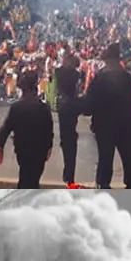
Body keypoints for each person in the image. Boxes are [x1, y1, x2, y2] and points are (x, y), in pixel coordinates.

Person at [80, 40, 131, 188]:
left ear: (106, 60)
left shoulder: (100, 79)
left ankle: (104, 191)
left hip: (105, 128)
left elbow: (89, 107)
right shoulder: (128, 78)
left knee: (105, 161)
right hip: (128, 127)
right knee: (130, 166)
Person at [0, 70, 54, 188]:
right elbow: (49, 130)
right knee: (34, 179)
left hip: (23, 150)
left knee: (24, 176)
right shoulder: (44, 108)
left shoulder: (16, 108)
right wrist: (49, 147)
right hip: (40, 151)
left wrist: (0, 145)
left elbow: (6, 128)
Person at [55, 48, 83, 185]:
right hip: (72, 103)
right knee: (71, 140)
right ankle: (69, 176)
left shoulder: (58, 72)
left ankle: (67, 175)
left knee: (66, 136)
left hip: (62, 104)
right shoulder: (75, 74)